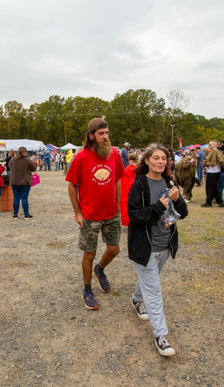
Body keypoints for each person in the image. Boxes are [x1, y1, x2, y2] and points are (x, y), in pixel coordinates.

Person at [127, 143, 188, 357]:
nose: (161, 161)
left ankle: (136, 299)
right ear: (147, 160)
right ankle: (161, 336)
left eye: (164, 158)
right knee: (154, 291)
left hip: (165, 244)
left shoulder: (169, 182)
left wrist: (177, 200)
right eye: (156, 158)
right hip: (145, 245)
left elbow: (183, 213)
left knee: (148, 281)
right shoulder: (140, 184)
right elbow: (134, 214)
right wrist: (158, 207)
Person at [66, 118, 125, 310]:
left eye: (107, 133)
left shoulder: (114, 153)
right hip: (90, 215)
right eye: (101, 134)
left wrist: (117, 204)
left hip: (111, 213)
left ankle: (100, 270)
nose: (105, 137)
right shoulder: (81, 157)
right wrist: (78, 213)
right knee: (89, 254)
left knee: (114, 249)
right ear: (91, 136)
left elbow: (117, 180)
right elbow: (71, 185)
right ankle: (87, 290)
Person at [9, 146, 37, 220]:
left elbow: (10, 166)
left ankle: (15, 214)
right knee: (24, 198)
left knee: (16, 198)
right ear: (25, 152)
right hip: (25, 182)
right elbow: (34, 168)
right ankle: (26, 214)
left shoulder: (13, 159)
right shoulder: (28, 160)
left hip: (14, 181)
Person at [201, 140, 224, 208]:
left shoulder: (214, 152)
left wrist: (206, 163)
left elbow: (213, 163)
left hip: (212, 172)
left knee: (209, 188)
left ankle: (209, 202)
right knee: (215, 188)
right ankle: (219, 202)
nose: (209, 146)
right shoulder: (217, 151)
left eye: (210, 145)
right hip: (216, 172)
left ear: (214, 145)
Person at [120, 152, 139, 227]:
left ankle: (128, 221)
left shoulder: (127, 169)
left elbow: (123, 182)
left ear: (129, 160)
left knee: (128, 207)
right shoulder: (139, 169)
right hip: (137, 191)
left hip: (128, 191)